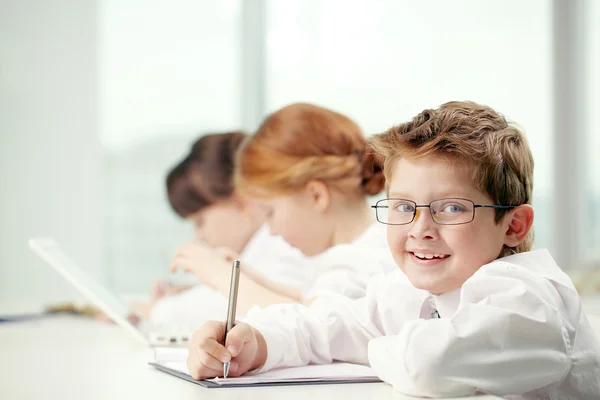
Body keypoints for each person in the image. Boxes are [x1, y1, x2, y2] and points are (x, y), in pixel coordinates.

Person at [185, 101, 600, 398]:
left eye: (451, 208)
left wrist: (373, 346)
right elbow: (325, 323)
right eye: (404, 207)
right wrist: (251, 343)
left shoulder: (530, 299)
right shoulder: (414, 292)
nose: (420, 229)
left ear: (514, 225)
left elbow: (429, 365)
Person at [172, 103, 396, 315]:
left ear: (317, 196)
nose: (272, 231)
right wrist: (252, 280)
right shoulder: (356, 253)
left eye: (270, 213)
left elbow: (311, 327)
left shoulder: (362, 265)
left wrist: (220, 277)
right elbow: (309, 305)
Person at [145, 131, 310, 325]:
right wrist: (185, 293)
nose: (198, 236)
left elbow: (248, 306)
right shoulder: (259, 250)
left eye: (200, 221)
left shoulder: (283, 245)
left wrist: (159, 309)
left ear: (242, 201)